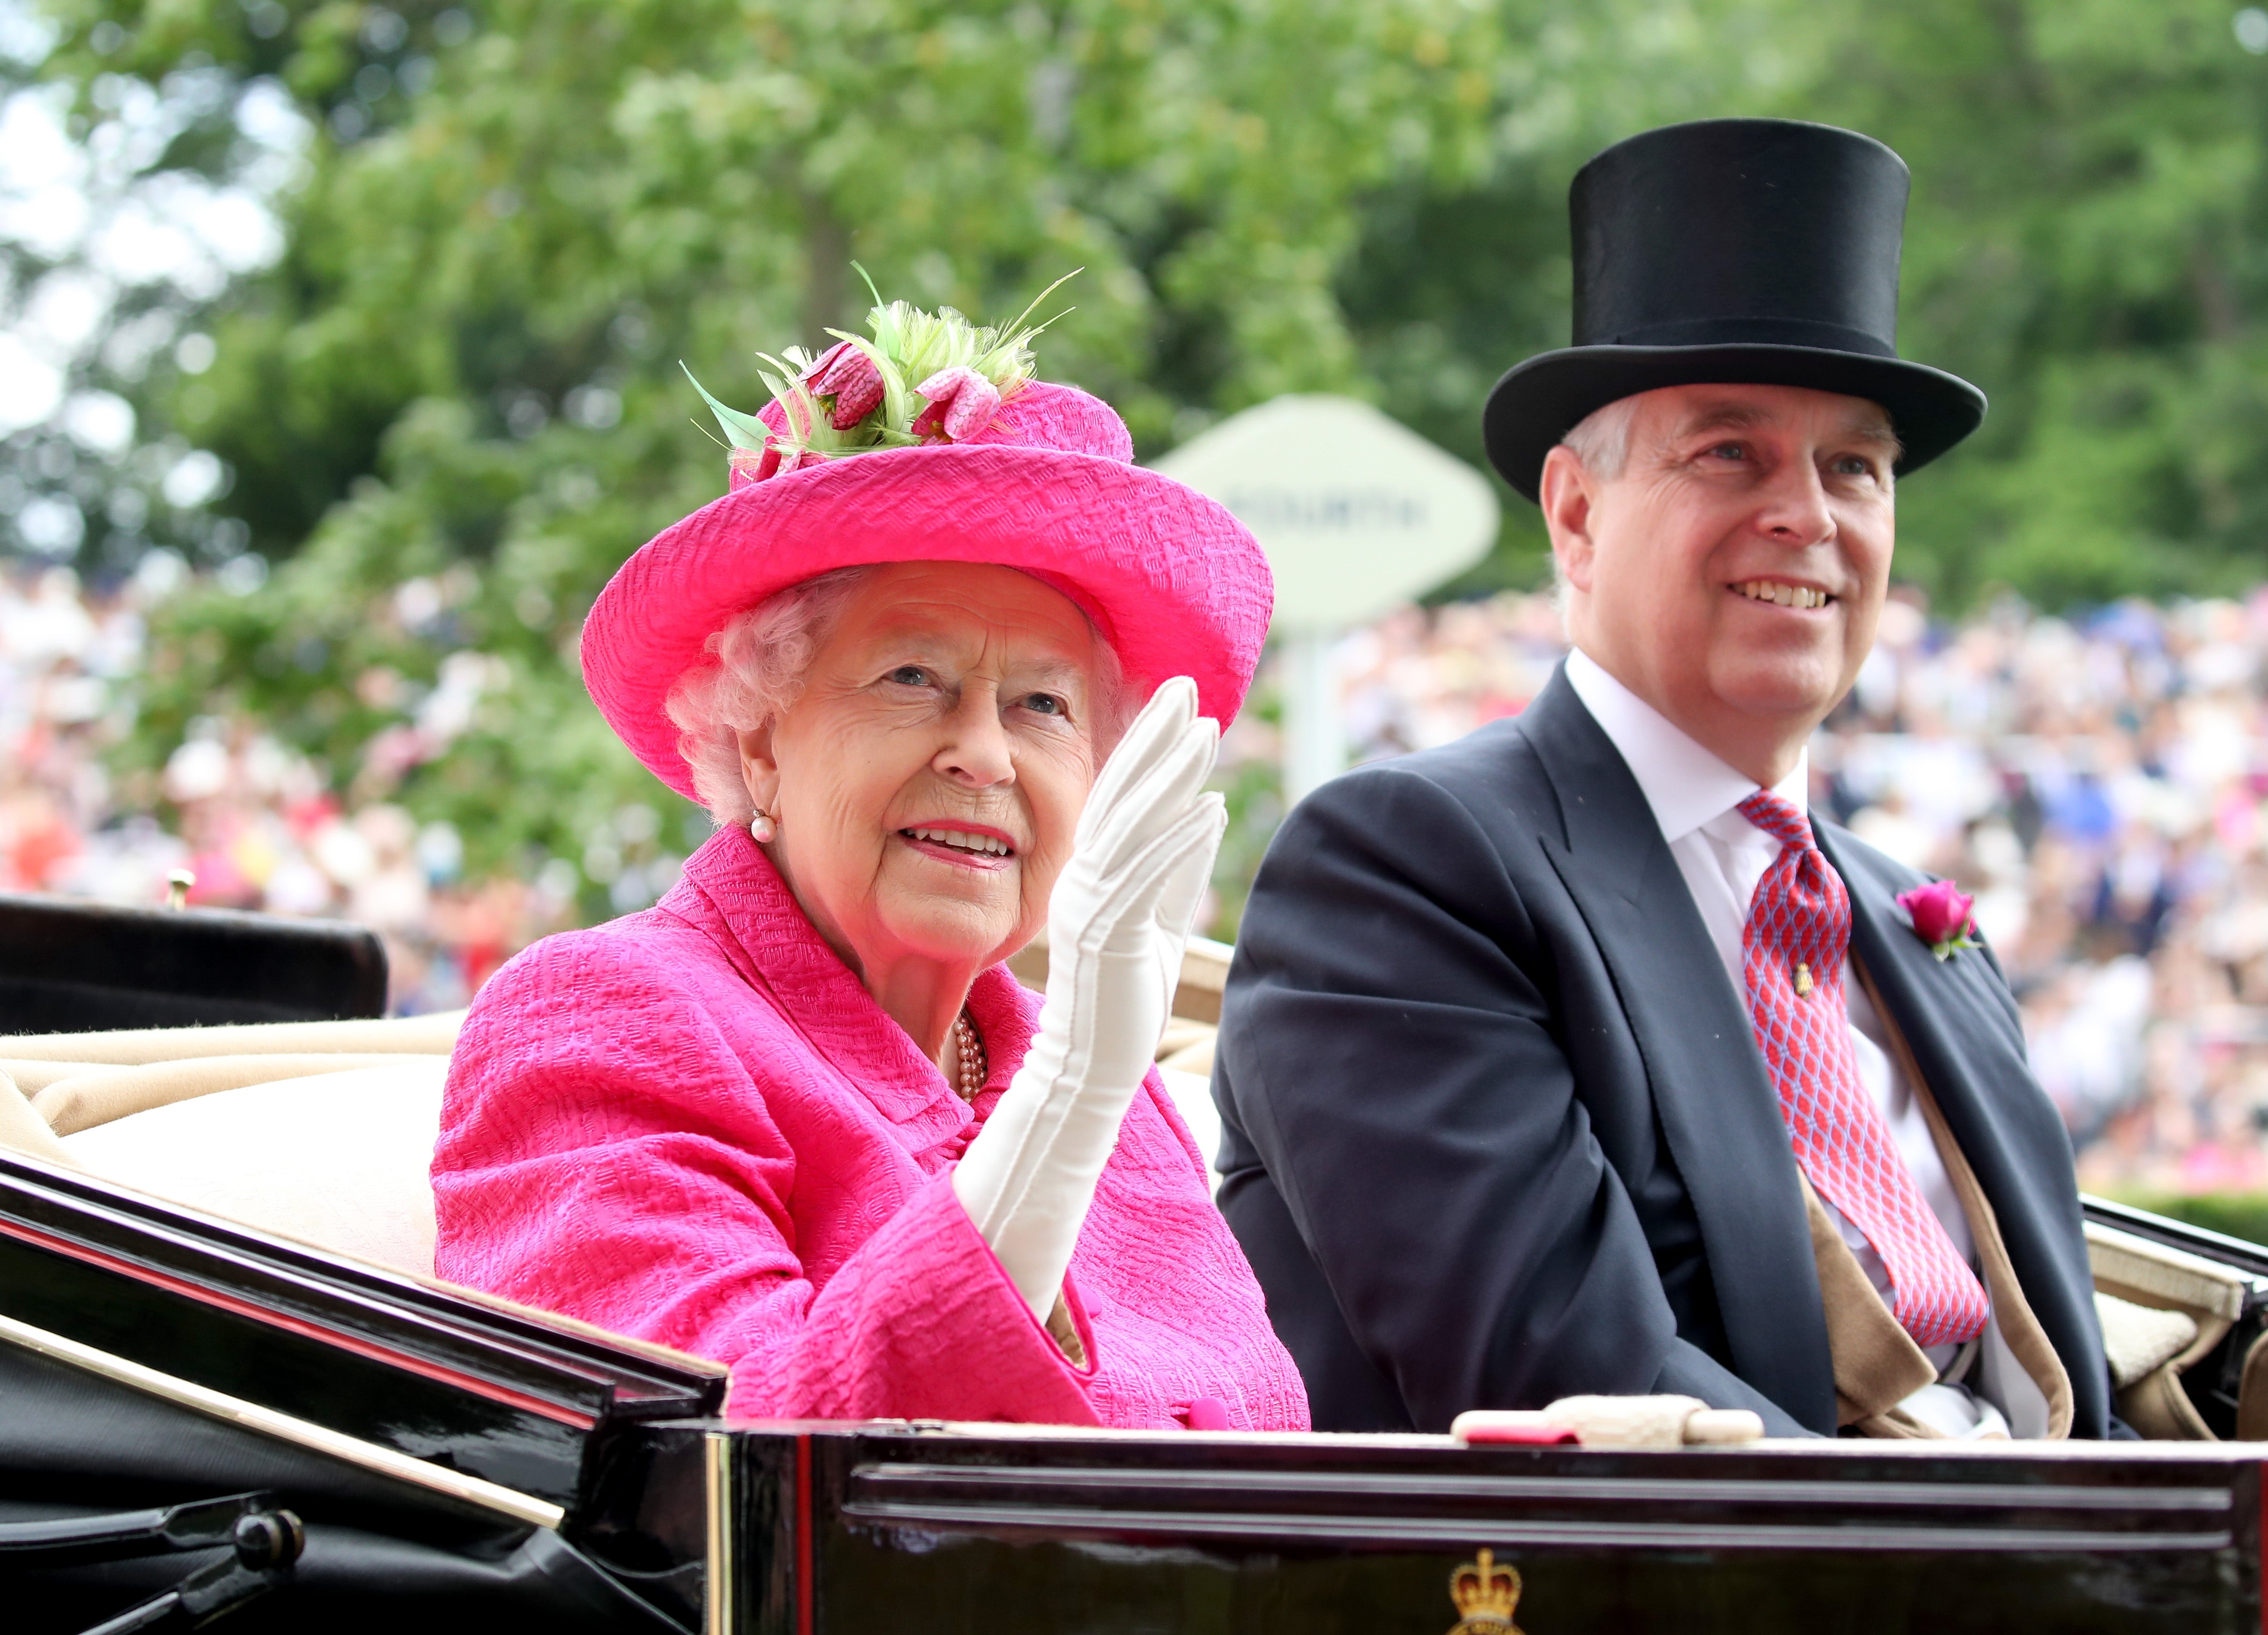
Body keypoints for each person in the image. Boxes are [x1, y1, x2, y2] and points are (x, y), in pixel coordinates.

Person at [1212, 119, 2111, 1440]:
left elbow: (2069, 1405)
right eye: (1727, 453)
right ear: (1573, 514)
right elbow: (1569, 1383)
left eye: (1850, 465)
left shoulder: (1921, 928)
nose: (1804, 513)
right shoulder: (1410, 869)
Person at [433, 284, 1308, 1432]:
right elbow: (731, 1480)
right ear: (759, 733)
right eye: (913, 679)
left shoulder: (1089, 1067)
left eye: (1044, 705)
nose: (985, 754)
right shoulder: (597, 1018)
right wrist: (1064, 1103)